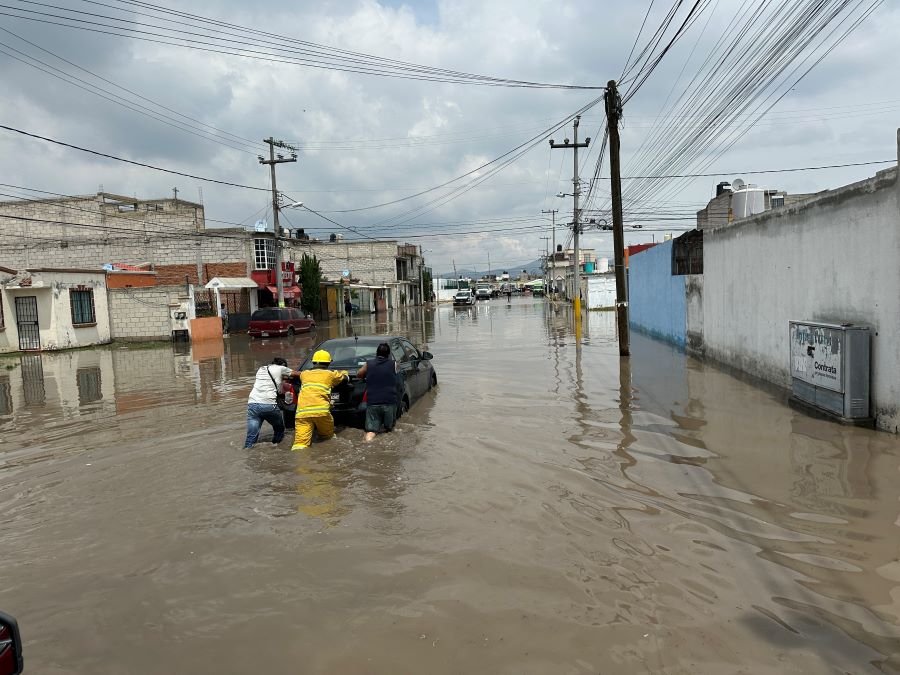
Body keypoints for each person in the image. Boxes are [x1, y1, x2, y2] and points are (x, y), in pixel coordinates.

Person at [292, 350, 349, 451]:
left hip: (302, 413)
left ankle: (300, 464)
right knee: (328, 438)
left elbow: (296, 374)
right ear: (328, 363)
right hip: (322, 412)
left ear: (313, 362)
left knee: (300, 444)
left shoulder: (305, 374)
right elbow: (345, 379)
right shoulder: (330, 374)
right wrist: (344, 373)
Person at [244, 357, 301, 449]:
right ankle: (276, 447)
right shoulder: (280, 368)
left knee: (252, 435)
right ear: (283, 366)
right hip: (268, 404)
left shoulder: (261, 369)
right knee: (279, 428)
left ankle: (247, 449)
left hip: (252, 403)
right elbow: (298, 373)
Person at [356, 342, 398, 442]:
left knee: (371, 431)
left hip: (373, 402)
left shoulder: (369, 364)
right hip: (389, 402)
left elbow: (359, 374)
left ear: (376, 353)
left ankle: (368, 444)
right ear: (388, 354)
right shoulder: (394, 364)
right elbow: (397, 375)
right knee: (389, 430)